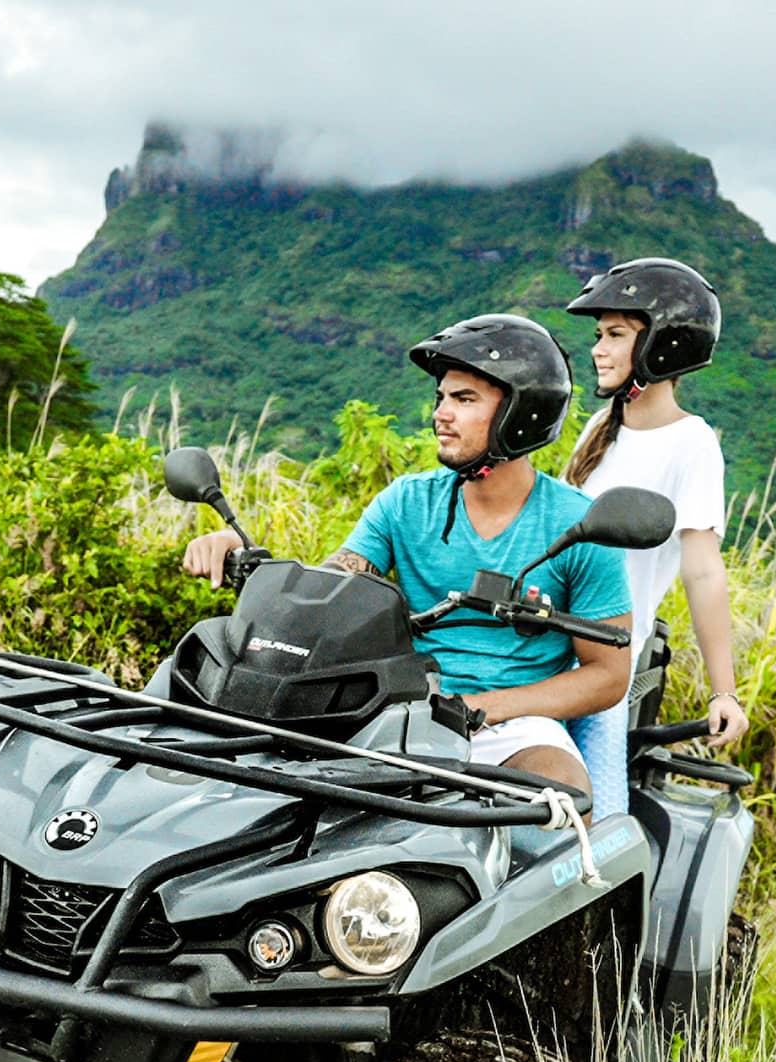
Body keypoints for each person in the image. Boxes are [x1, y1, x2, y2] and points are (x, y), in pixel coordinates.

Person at [183, 313, 632, 806]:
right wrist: (245, 558)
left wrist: (484, 707)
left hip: (512, 726)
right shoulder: (406, 502)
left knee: (560, 800)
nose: (441, 413)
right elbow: (336, 583)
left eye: (464, 400)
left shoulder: (578, 527)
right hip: (397, 704)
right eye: (441, 398)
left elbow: (607, 675)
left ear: (523, 412)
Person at [560, 259, 748, 815]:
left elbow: (703, 569)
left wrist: (724, 692)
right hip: (544, 645)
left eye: (616, 335)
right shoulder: (600, 428)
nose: (598, 349)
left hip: (603, 660)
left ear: (663, 345)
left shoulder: (691, 442)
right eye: (598, 335)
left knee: (599, 821)